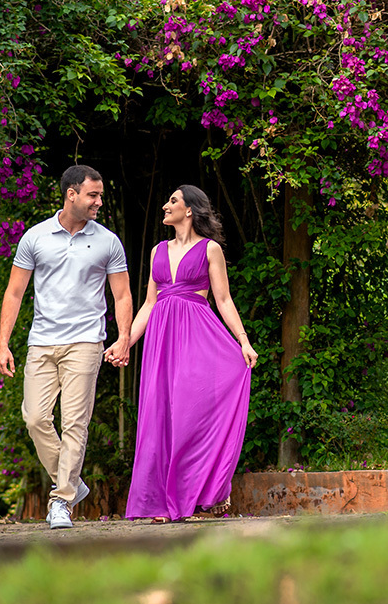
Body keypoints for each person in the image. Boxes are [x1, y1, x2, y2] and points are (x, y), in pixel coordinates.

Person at [105, 185, 257, 523]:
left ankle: (203, 492)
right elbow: (149, 304)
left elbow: (223, 300)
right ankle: (161, 503)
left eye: (172, 200)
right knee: (160, 415)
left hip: (197, 335)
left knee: (189, 413)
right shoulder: (157, 250)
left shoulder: (210, 249)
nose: (165, 205)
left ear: (189, 210)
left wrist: (243, 341)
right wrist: (125, 341)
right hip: (161, 340)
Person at [0, 164, 132, 529]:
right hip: (42, 341)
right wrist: (3, 343)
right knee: (35, 418)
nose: (99, 202)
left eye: (100, 196)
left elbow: (121, 295)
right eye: (93, 195)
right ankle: (71, 481)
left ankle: (61, 501)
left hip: (86, 340)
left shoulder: (107, 242)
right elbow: (14, 292)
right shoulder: (35, 237)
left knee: (74, 422)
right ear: (71, 194)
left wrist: (123, 337)